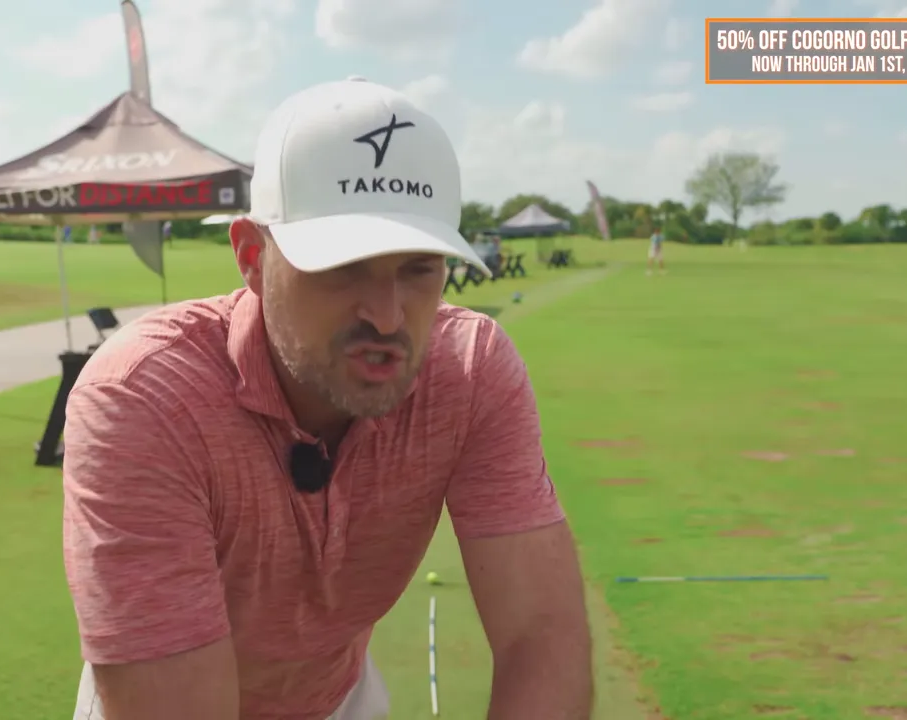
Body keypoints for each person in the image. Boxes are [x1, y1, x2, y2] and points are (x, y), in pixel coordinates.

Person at [63, 76, 593, 720]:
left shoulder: (469, 369)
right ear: (252, 256)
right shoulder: (146, 396)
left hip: (340, 695)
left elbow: (540, 635)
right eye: (344, 266)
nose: (389, 316)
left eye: (419, 267)